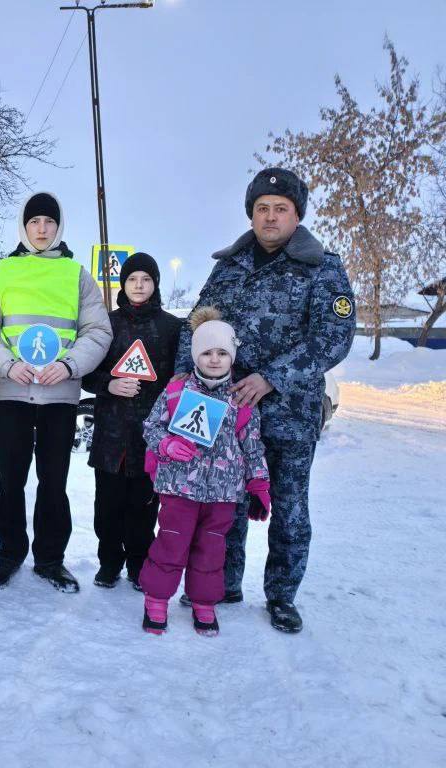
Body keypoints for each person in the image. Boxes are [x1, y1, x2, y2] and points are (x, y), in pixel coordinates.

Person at [176, 168, 355, 633]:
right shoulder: (229, 266)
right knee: (224, 502)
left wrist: (271, 378)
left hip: (290, 414)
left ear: (297, 215)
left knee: (289, 508)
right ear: (251, 215)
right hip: (228, 411)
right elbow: (198, 325)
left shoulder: (322, 267)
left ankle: (281, 596)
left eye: (280, 208)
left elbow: (333, 338)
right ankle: (223, 584)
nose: (270, 217)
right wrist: (181, 382)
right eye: (262, 209)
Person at [0, 191, 112, 592]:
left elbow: (97, 331)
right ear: (24, 226)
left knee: (53, 483)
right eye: (34, 221)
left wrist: (68, 366)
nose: (42, 229)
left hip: (58, 396)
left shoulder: (76, 275)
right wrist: (7, 365)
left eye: (49, 222)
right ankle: (9, 555)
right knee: (9, 482)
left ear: (59, 226)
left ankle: (50, 560)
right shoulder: (3, 271)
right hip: (13, 393)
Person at [140, 307, 270, 636]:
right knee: (171, 543)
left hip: (223, 493)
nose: (214, 359)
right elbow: (151, 427)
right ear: (195, 355)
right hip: (179, 488)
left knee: (211, 551)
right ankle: (156, 599)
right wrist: (167, 445)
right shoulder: (176, 392)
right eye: (207, 352)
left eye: (222, 353)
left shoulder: (241, 399)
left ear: (232, 357)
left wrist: (258, 485)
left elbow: (252, 445)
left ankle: (204, 603)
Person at [81, 252, 182, 591]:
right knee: (107, 507)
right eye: (132, 279)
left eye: (146, 279)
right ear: (123, 284)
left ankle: (139, 564)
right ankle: (109, 563)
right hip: (111, 436)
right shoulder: (105, 324)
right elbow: (86, 372)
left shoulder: (172, 328)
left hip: (150, 438)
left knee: (143, 508)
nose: (139, 285)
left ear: (156, 284)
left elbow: (180, 380)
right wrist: (109, 384)